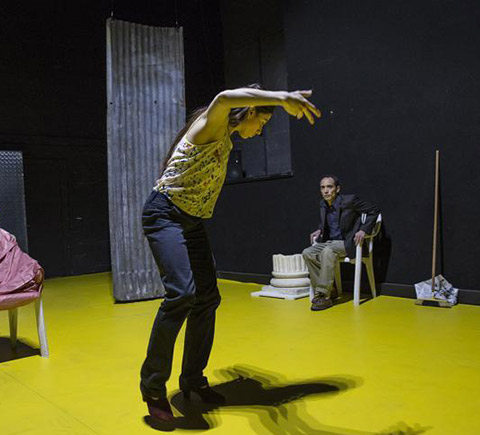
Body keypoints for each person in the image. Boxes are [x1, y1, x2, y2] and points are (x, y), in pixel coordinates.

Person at [140, 84, 321, 424]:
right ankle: (152, 387)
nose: (260, 130)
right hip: (164, 215)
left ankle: (193, 379)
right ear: (250, 111)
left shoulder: (226, 138)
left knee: (207, 298)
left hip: (191, 221)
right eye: (261, 123)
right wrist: (281, 98)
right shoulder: (211, 126)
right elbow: (223, 98)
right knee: (182, 294)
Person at [302, 175, 380, 311]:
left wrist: (363, 230)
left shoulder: (350, 200)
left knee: (328, 251)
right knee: (307, 252)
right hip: (330, 242)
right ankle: (330, 290)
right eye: (322, 187)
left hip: (348, 243)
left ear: (337, 189)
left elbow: (374, 210)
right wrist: (320, 229)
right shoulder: (323, 204)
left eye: (329, 187)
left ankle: (323, 296)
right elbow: (329, 222)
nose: (326, 190)